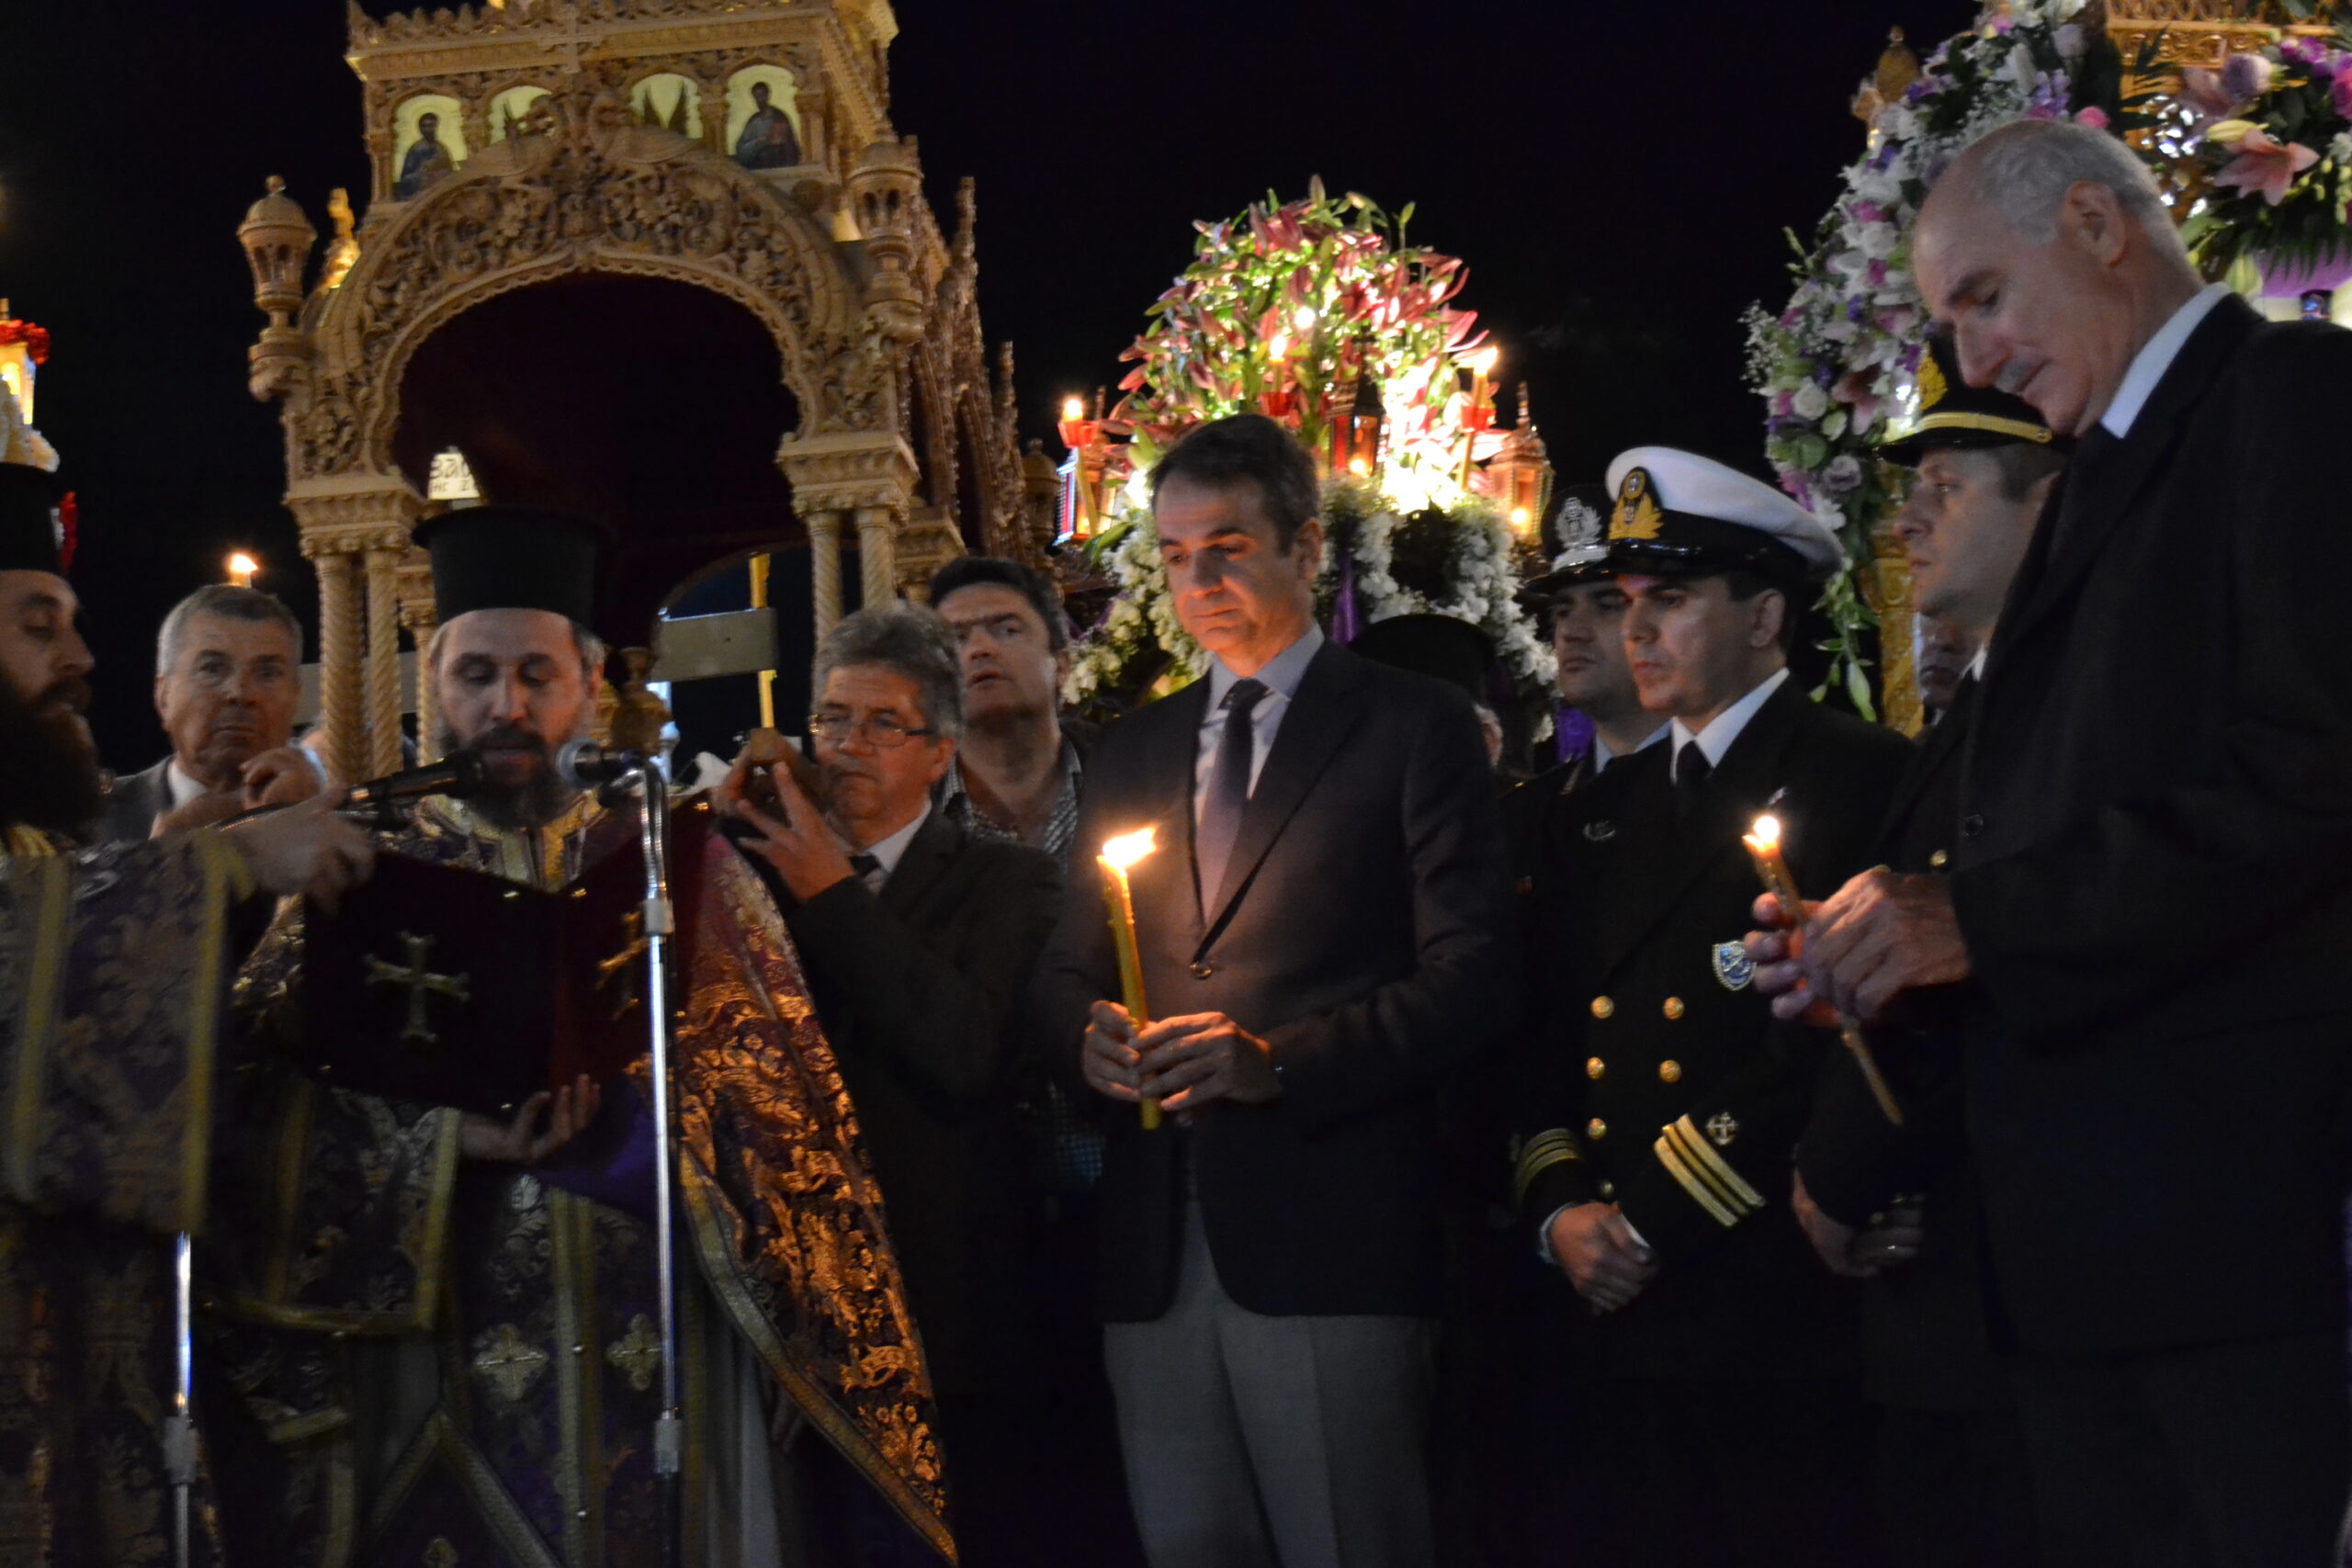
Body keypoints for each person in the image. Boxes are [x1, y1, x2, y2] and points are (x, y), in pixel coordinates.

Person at [1760, 117, 2352, 1567]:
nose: (1968, 360)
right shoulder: (2100, 467)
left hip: (2230, 1250)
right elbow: (2034, 807)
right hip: (2072, 1268)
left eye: (1980, 298)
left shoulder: (2295, 400)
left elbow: (2317, 780)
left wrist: (1984, 918)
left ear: (2098, 225)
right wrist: (1884, 941)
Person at [206, 507, 954, 1564]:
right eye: (474, 675)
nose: (504, 706)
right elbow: (249, 1108)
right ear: (434, 681)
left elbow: (787, 1118)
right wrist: (445, 1142)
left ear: (589, 685)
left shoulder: (675, 862)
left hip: (655, 1331)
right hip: (433, 1351)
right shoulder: (355, 867)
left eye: (535, 676)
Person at [1031, 413, 1518, 1568]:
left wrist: (1278, 1061)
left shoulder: (1410, 726)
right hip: (1154, 1240)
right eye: (1175, 553)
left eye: (1227, 546)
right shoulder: (1133, 750)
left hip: (1330, 1228)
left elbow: (1475, 976)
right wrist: (1083, 1039)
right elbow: (1060, 968)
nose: (1197, 578)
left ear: (1306, 548)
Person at [1511, 446, 1910, 1568]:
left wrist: (1649, 1217)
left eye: (1671, 600)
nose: (1636, 631)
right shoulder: (1598, 807)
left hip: (1763, 1289)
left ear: (1765, 615)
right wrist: (1563, 1212)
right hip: (1609, 1291)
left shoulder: (1858, 774)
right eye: (1631, 602)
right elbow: (1544, 1030)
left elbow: (1842, 1039)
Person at [0, 457, 372, 1565]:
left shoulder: (37, 837)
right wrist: (225, 870)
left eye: (70, 625)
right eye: (35, 627)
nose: (79, 660)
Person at [1789, 333, 2065, 1568]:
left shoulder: (2055, 714)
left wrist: (1834, 1180)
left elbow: (1981, 987)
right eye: (1904, 490)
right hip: (1942, 1300)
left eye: (1946, 487)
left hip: (2011, 1288)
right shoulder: (1978, 714)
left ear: (2045, 499)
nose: (1906, 519)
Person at [718, 604, 1062, 1566]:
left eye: (881, 725)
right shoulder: (757, 872)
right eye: (830, 720)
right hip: (793, 1296)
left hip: (945, 1307)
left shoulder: (1009, 883)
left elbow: (961, 1049)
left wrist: (832, 892)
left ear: (939, 754)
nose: (847, 748)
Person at [926, 555, 1144, 1565]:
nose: (975, 647)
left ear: (1061, 657)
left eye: (1004, 628)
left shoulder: (1139, 782)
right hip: (979, 1217)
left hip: (1137, 1194)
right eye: (954, 635)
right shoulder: (902, 822)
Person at [96, 583, 322, 840]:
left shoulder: (334, 820)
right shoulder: (92, 823)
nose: (240, 693)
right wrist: (162, 854)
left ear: (295, 697)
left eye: (267, 673)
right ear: (164, 696)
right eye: (212, 669)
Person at [734, 82, 802, 170]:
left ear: (767, 95)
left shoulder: (778, 116)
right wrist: (757, 142)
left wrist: (771, 140)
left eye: (761, 96)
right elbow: (741, 147)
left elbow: (785, 142)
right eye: (756, 97)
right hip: (757, 162)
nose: (759, 100)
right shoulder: (754, 120)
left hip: (777, 161)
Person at [393, 110, 454, 200]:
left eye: (431, 126)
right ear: (420, 128)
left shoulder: (441, 148)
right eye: (424, 126)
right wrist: (423, 172)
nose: (428, 129)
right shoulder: (416, 149)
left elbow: (449, 169)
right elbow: (406, 177)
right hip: (422, 191)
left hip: (442, 189)